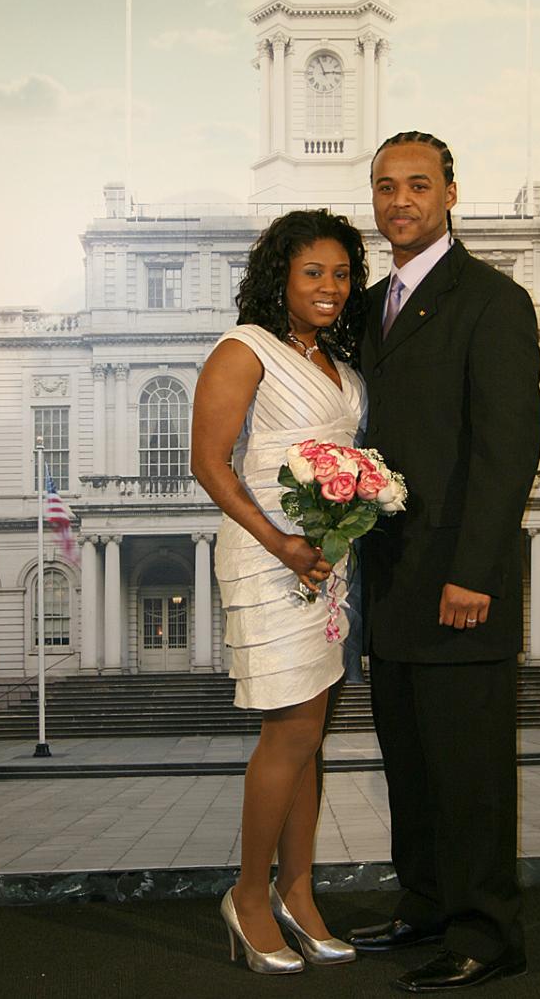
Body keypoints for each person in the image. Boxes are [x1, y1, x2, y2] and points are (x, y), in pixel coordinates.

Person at [348, 131, 540, 992]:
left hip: (461, 583)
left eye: (418, 185)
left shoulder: (493, 302)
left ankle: (486, 932)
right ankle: (424, 904)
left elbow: (508, 451)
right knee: (413, 766)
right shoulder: (367, 306)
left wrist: (476, 572)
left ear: (452, 193)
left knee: (469, 774)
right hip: (390, 580)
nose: (400, 202)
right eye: (386, 187)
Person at [191, 209, 367, 975]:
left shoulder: (341, 365)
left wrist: (335, 533)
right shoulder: (245, 349)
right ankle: (249, 896)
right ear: (281, 279)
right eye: (313, 272)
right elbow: (210, 464)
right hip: (271, 557)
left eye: (341, 273)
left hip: (327, 563)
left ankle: (299, 893)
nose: (330, 287)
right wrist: (283, 545)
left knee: (309, 735)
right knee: (289, 731)